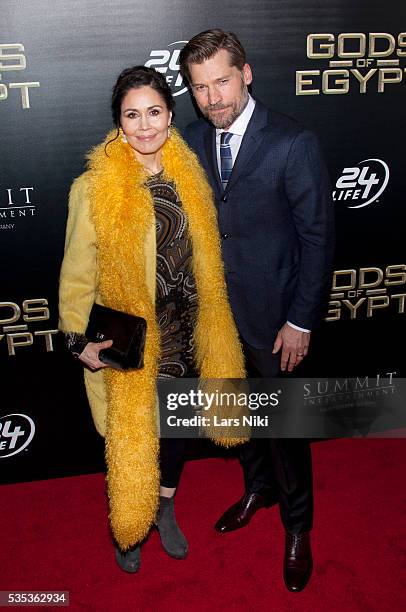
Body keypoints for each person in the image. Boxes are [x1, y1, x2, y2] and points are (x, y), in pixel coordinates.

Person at [58, 66, 245, 573]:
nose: (144, 126)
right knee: (133, 437)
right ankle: (130, 524)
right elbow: (76, 276)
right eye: (132, 115)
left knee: (178, 431)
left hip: (187, 330)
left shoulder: (191, 172)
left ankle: (162, 509)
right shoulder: (93, 188)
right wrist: (79, 341)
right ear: (119, 123)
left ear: (170, 115)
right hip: (131, 340)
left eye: (154, 112)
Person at [180, 30, 335, 592]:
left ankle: (298, 528)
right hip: (217, 318)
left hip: (275, 321)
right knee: (237, 421)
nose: (213, 97)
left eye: (221, 81)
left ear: (246, 74)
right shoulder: (190, 139)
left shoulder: (293, 142)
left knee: (286, 433)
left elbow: (317, 238)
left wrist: (301, 321)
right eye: (200, 88)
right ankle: (257, 488)